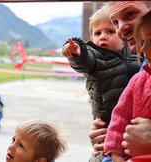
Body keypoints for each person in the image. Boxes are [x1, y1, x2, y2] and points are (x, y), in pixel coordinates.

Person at [62, 6, 140, 161]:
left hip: (132, 120)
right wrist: (76, 51)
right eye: (97, 33)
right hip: (107, 123)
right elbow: (84, 61)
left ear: (121, 33)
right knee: (104, 152)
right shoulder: (95, 58)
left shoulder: (134, 54)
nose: (102, 37)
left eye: (110, 31)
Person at [89, 1, 151, 158]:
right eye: (115, 22)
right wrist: (109, 138)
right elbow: (120, 118)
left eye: (130, 14)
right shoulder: (140, 75)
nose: (120, 29)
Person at [104, 11, 151, 161]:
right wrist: (116, 157)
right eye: (142, 42)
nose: (143, 49)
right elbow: (118, 121)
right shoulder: (137, 81)